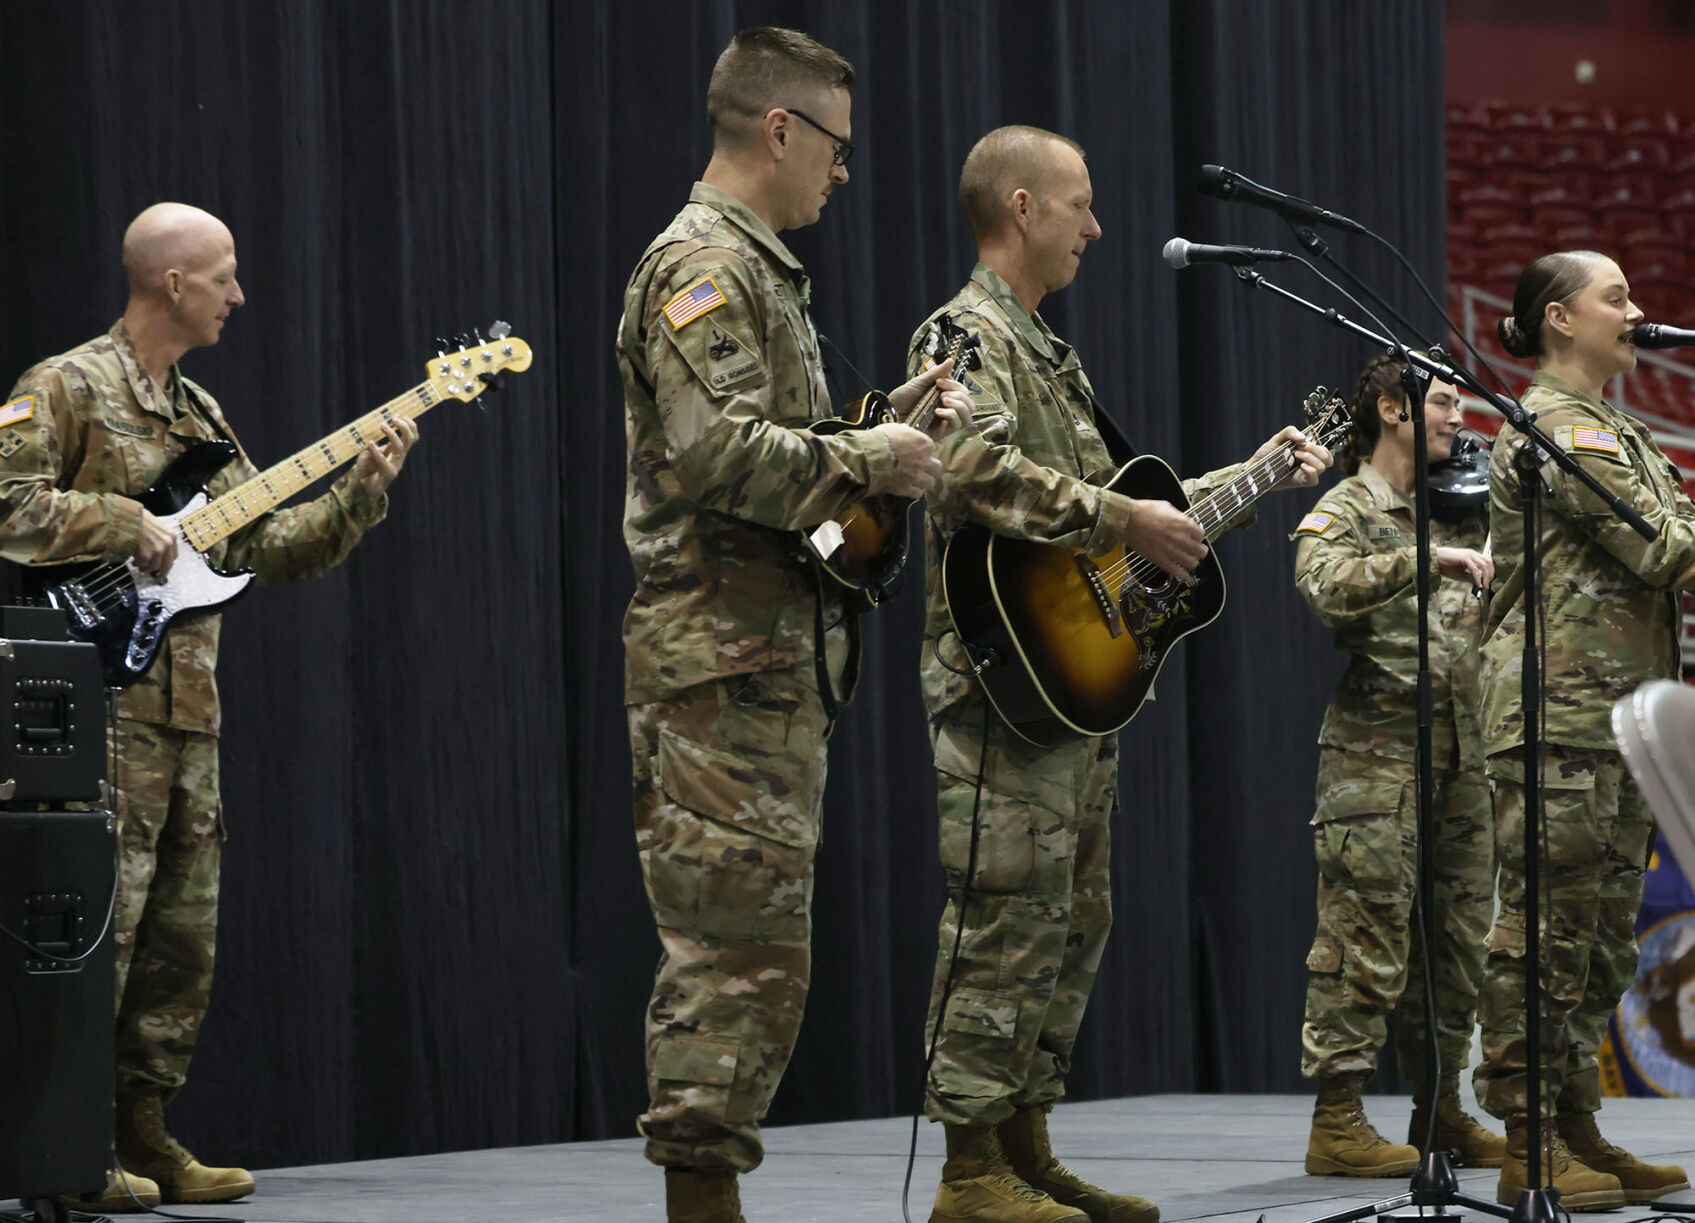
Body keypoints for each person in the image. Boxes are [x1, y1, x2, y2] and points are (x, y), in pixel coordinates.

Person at [909, 125, 1331, 1223]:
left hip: (1073, 696)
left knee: (1070, 920)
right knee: (1004, 918)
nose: (1097, 228)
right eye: (1081, 204)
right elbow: (966, 466)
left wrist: (1254, 475)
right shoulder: (964, 332)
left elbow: (1119, 513)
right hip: (1004, 689)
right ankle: (967, 1171)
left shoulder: (1047, 348)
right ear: (1020, 206)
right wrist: (1119, 511)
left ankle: (1023, 1143)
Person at [614, 27, 971, 1223]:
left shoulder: (758, 269)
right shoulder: (700, 265)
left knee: (761, 954)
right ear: (780, 130)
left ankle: (709, 1192)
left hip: (759, 661)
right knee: (729, 956)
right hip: (717, 661)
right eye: (837, 146)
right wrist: (874, 449)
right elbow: (720, 454)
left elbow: (782, 454)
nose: (845, 171)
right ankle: (701, 1202)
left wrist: (888, 423)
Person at [0, 202, 417, 1213]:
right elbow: (8, 506)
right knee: (103, 935)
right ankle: (66, 1149)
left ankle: (142, 1126)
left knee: (183, 942)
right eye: (224, 276)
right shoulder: (63, 387)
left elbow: (265, 551)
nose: (240, 294)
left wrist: (362, 489)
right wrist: (120, 519)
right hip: (89, 714)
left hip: (188, 716)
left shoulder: (205, 418)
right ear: (173, 284)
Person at [1476, 249, 1695, 1209]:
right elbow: (1662, 545)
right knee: (1542, 933)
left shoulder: (1614, 427)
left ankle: (1574, 1126)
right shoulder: (1554, 426)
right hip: (1554, 713)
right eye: (1616, 298)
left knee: (1603, 942)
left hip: (1609, 722)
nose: (1636, 312)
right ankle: (1526, 1136)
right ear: (1559, 319)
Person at [1292, 357, 1501, 1178]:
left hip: (1462, 755)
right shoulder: (1349, 504)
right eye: (1443, 403)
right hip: (1373, 757)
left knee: (1457, 947)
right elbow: (1322, 587)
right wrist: (1423, 559)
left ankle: (1440, 1108)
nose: (1457, 420)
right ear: (1391, 408)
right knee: (1363, 934)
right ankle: (1336, 1120)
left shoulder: (1457, 506)